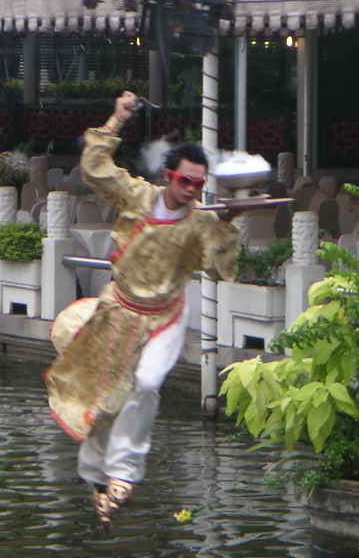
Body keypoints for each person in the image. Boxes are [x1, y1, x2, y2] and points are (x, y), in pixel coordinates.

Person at [43, 91, 241, 530]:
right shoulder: (136, 196)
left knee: (146, 383)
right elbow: (94, 169)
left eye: (198, 185)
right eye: (184, 182)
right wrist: (117, 117)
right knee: (105, 395)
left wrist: (228, 223)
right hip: (120, 309)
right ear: (169, 176)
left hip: (166, 316)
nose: (190, 191)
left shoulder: (202, 220)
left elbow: (221, 270)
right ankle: (97, 480)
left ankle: (124, 474)